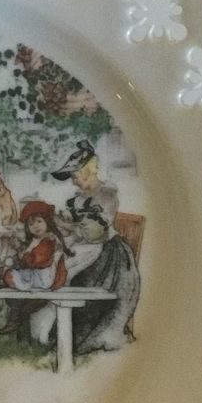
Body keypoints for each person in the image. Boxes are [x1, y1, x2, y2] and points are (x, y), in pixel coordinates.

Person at [52, 140, 140, 353]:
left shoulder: (106, 194)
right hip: (84, 250)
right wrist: (60, 226)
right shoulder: (76, 201)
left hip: (109, 256)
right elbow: (73, 232)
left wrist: (69, 227)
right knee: (58, 266)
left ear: (87, 171)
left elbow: (96, 232)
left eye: (75, 176)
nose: (74, 182)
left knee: (75, 275)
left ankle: (90, 336)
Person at [0, 200, 68, 346]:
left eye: (39, 221)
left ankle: (14, 319)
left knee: (11, 276)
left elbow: (37, 261)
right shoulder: (37, 240)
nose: (35, 226)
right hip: (37, 275)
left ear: (47, 222)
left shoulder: (49, 240)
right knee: (9, 274)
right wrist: (21, 254)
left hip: (46, 278)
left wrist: (24, 254)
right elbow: (28, 261)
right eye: (31, 224)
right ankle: (14, 319)